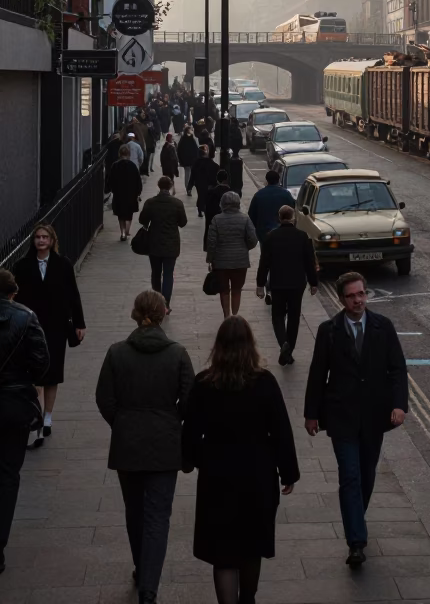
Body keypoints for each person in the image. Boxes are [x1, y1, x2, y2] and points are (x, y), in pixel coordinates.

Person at [181, 315, 300, 604]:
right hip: (257, 475)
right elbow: (281, 430)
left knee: (223, 552)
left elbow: (190, 432)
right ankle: (248, 599)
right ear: (250, 345)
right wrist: (288, 472)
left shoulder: (204, 383)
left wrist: (191, 461)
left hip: (217, 476)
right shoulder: (265, 382)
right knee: (250, 545)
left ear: (218, 346)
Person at [95, 290, 195, 604]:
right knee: (157, 516)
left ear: (136, 314)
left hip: (128, 442)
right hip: (165, 444)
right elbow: (191, 401)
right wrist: (171, 420)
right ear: (163, 313)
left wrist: (122, 423)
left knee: (135, 511)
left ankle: (142, 566)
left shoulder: (117, 352)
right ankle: (149, 588)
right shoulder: (177, 353)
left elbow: (104, 398)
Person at [304, 271, 407, 567]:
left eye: (361, 293)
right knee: (349, 476)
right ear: (341, 299)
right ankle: (356, 543)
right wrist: (312, 414)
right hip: (341, 416)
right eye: (351, 296)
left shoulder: (382, 327)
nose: (358, 300)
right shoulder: (329, 331)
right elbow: (317, 373)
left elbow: (397, 369)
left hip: (374, 416)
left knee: (366, 474)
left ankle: (355, 518)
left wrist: (400, 405)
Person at [13, 224, 86, 447]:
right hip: (31, 327)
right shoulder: (22, 266)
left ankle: (47, 417)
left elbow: (73, 294)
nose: (41, 240)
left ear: (52, 240)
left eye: (45, 237)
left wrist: (79, 323)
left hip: (56, 327)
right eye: (37, 237)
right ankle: (36, 418)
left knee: (53, 374)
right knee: (35, 375)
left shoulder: (63, 265)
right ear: (33, 241)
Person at [0, 268, 49, 574]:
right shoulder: (25, 316)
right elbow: (42, 363)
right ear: (13, 292)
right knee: (7, 475)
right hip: (13, 405)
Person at [256, 205, 318, 366]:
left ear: (279, 218)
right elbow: (309, 262)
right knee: (294, 317)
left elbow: (264, 264)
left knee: (277, 316)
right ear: (293, 218)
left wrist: (260, 284)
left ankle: (283, 343)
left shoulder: (271, 237)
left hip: (277, 283)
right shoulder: (303, 237)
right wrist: (313, 283)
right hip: (297, 284)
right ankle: (288, 350)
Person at [137, 177, 187, 313]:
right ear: (170, 186)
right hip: (171, 243)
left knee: (156, 273)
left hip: (154, 243)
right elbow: (183, 222)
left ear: (158, 186)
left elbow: (142, 220)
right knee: (168, 274)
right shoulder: (177, 203)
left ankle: (155, 303)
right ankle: (165, 304)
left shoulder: (151, 202)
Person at [206, 192, 258, 319]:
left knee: (224, 290)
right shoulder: (245, 219)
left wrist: (210, 259)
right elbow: (253, 239)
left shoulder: (216, 219)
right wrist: (244, 248)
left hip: (221, 261)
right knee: (236, 290)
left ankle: (226, 316)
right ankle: (235, 316)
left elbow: (211, 242)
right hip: (240, 261)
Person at [248, 170, 295, 248]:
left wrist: (258, 230)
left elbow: (251, 216)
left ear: (267, 180)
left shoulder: (258, 195)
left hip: (264, 234)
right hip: (283, 234)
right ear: (278, 180)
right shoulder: (286, 194)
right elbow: (292, 211)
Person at [108, 145, 144, 240]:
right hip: (131, 194)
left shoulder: (115, 166)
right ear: (129, 154)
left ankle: (122, 232)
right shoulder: (132, 166)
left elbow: (110, 180)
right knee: (129, 213)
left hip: (119, 193)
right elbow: (138, 181)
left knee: (121, 214)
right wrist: (138, 192)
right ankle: (127, 231)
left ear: (120, 153)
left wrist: (113, 189)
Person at [190, 145, 219, 218]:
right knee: (207, 196)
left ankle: (200, 209)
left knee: (200, 195)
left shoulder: (196, 162)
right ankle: (204, 208)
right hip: (208, 183)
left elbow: (192, 175)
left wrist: (190, 185)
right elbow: (216, 169)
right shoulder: (210, 163)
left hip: (199, 183)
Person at [203, 170, 230, 250]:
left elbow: (207, 212)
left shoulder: (211, 193)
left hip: (214, 227)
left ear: (217, 179)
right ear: (226, 179)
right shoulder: (231, 193)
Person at [177, 125, 200, 196]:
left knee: (188, 174)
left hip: (187, 160)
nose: (192, 131)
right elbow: (196, 149)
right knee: (189, 174)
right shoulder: (192, 139)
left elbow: (178, 150)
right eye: (191, 130)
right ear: (188, 131)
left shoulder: (183, 139)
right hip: (190, 160)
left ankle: (188, 188)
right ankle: (188, 188)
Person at [145, 109, 161, 174]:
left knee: (148, 154)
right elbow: (158, 130)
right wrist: (157, 138)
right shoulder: (156, 121)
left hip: (147, 140)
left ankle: (148, 168)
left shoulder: (147, 121)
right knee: (152, 154)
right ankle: (150, 167)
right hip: (153, 140)